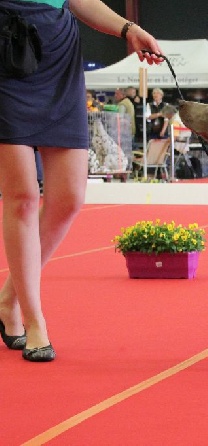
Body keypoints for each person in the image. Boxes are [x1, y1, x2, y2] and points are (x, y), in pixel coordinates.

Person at [0, 0, 162, 362]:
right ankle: (33, 319)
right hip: (6, 56)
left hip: (59, 60)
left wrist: (128, 28)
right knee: (22, 197)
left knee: (69, 197)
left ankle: (8, 298)